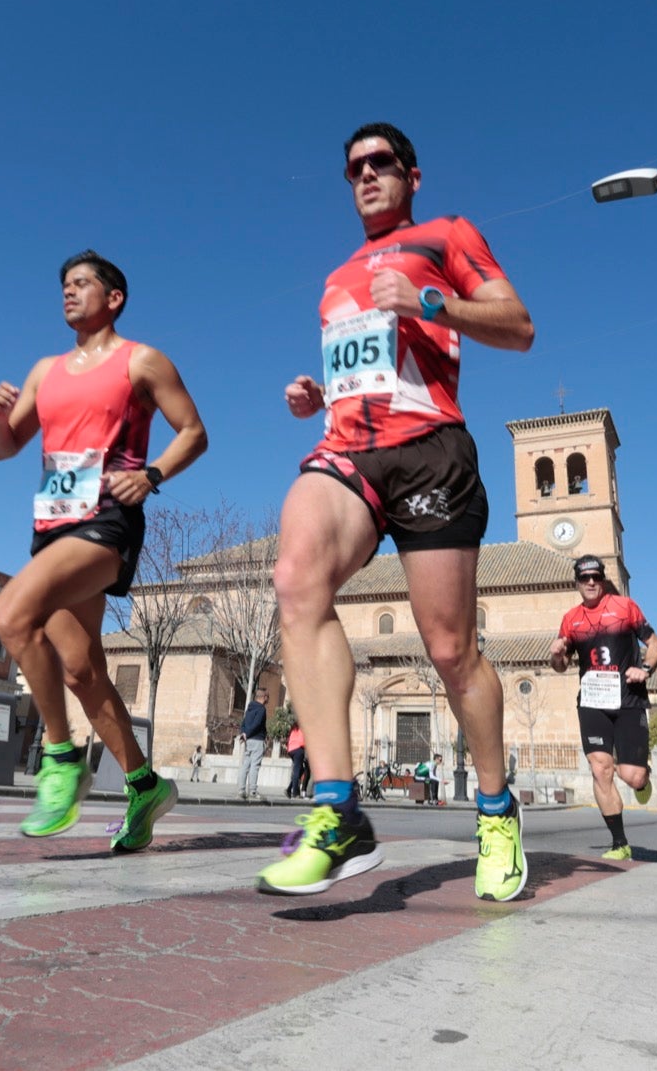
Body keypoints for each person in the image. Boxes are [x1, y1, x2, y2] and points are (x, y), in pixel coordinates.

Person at [258, 122, 536, 901]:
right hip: (347, 448)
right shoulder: (334, 277)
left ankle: (495, 808)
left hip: (430, 453)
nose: (367, 176)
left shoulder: (447, 235)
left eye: (382, 163)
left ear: (413, 175)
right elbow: (362, 367)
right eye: (353, 169)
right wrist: (319, 395)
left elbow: (518, 326)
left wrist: (430, 300)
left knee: (450, 651)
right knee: (294, 578)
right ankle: (338, 808)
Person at [0, 250, 208, 852]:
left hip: (108, 521)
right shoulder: (44, 371)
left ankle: (60, 760)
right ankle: (144, 785)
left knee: (10, 614)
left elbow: (194, 431)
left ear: (114, 298)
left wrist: (154, 474)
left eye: (82, 284)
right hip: (52, 526)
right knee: (82, 668)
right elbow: (6, 448)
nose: (69, 292)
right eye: (64, 284)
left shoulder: (142, 360)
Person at [548, 554, 657, 861]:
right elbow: (560, 666)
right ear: (577, 583)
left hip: (628, 699)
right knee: (600, 769)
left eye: (595, 577)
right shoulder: (570, 619)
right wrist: (556, 654)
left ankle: (643, 775)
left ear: (603, 579)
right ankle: (620, 842)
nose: (590, 583)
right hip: (592, 700)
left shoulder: (625, 608)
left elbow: (654, 644)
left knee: (632, 777)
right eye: (584, 578)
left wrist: (646, 670)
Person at [239, 686, 268, 800]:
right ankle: (253, 791)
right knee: (254, 766)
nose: (268, 700)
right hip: (257, 740)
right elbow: (257, 724)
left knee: (245, 764)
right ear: (264, 697)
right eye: (268, 697)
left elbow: (244, 722)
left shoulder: (249, 708)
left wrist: (244, 733)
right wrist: (248, 734)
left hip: (248, 740)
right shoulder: (261, 709)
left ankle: (241, 790)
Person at [285, 722, 309, 799]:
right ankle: (295, 793)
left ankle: (289, 789)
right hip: (298, 749)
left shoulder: (294, 728)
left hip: (291, 750)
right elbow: (304, 742)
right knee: (297, 771)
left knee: (300, 770)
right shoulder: (303, 728)